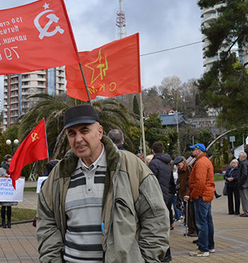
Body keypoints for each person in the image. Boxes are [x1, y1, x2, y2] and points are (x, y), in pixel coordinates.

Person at [37, 104, 169, 262]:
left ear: (99, 132)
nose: (78, 139)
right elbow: (47, 222)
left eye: (84, 130)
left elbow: (156, 218)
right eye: (72, 133)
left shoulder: (131, 167)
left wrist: (147, 259)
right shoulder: (59, 175)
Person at [186, 143, 215, 257]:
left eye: (194, 149)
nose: (192, 151)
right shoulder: (205, 161)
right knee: (207, 222)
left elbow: (200, 182)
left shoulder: (201, 162)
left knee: (201, 223)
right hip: (206, 195)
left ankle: (203, 249)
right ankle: (210, 246)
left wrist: (194, 195)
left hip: (201, 196)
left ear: (199, 150)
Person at [148, 142, 175, 262]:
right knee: (164, 227)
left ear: (153, 151)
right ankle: (167, 254)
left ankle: (163, 254)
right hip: (166, 196)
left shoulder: (154, 163)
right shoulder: (167, 163)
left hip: (157, 197)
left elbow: (150, 181)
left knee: (157, 228)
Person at [173, 156, 197, 237]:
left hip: (188, 195)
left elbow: (190, 183)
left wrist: (188, 194)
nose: (178, 167)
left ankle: (194, 230)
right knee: (187, 213)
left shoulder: (188, 169)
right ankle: (190, 229)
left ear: (183, 162)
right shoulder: (180, 171)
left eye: (179, 165)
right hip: (183, 193)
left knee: (191, 213)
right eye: (176, 165)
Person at [0, 154, 18, 228]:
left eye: (11, 161)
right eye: (9, 161)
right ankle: (3, 221)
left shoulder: (13, 168)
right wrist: (3, 177)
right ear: (5, 161)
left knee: (9, 207)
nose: (10, 162)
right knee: (3, 206)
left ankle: (9, 221)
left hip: (10, 191)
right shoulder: (1, 170)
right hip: (4, 191)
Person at [238, 152, 248, 217]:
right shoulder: (246, 163)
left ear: (242, 157)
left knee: (244, 198)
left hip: (244, 184)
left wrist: (240, 182)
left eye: (239, 156)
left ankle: (247, 212)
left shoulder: (244, 163)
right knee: (244, 198)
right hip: (245, 183)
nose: (239, 157)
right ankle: (246, 211)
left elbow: (244, 174)